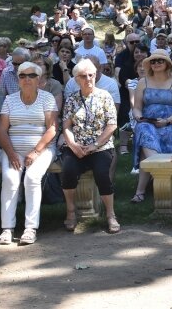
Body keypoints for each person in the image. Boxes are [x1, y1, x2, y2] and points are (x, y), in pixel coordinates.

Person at [0, 62, 58, 245]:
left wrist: (35, 151)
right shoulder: (10, 100)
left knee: (31, 178)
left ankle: (30, 228)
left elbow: (52, 129)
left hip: (42, 149)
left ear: (39, 79)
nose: (27, 79)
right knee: (10, 179)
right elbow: (2, 130)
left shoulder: (47, 98)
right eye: (22, 76)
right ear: (18, 80)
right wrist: (12, 154)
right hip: (13, 149)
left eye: (31, 75)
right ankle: (7, 228)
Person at [61, 58, 120, 234]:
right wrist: (72, 144)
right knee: (68, 170)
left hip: (100, 146)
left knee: (102, 173)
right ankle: (71, 212)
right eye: (84, 76)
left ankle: (110, 215)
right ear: (76, 79)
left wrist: (95, 145)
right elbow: (66, 126)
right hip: (76, 146)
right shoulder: (72, 99)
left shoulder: (105, 96)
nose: (88, 79)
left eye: (91, 75)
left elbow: (112, 125)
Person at [130, 49, 172, 203]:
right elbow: (137, 107)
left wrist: (167, 121)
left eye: (160, 61)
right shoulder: (143, 82)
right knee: (143, 129)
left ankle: (141, 191)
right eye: (153, 61)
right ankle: (160, 178)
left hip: (171, 125)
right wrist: (138, 116)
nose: (156, 63)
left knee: (145, 150)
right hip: (148, 122)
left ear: (167, 64)